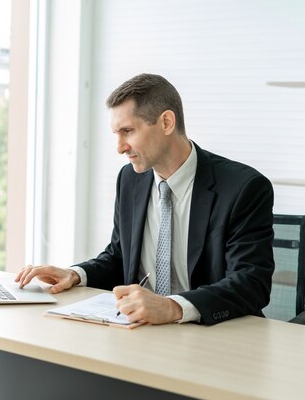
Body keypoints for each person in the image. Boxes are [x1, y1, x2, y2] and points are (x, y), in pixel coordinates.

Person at [16, 73, 274, 325]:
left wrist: (172, 307)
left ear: (166, 123)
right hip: (140, 330)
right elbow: (119, 256)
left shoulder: (243, 188)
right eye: (116, 134)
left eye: (128, 131)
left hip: (213, 337)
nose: (120, 147)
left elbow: (250, 283)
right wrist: (76, 274)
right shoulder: (130, 179)